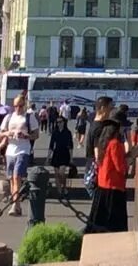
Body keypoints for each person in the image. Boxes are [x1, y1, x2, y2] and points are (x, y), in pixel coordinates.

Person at [85, 96, 130, 233]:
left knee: (99, 221)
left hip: (103, 183)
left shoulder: (104, 140)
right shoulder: (115, 143)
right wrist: (131, 158)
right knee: (113, 225)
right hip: (113, 186)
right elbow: (121, 167)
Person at [3, 93, 38, 205]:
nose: (18, 108)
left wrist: (25, 135)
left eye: (20, 106)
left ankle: (15, 204)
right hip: (10, 150)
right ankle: (15, 202)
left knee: (17, 176)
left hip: (23, 149)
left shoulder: (29, 117)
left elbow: (36, 135)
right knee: (12, 178)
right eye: (15, 106)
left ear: (24, 105)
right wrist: (9, 133)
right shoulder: (9, 117)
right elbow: (0, 134)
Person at [47, 108, 76, 194]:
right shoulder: (55, 132)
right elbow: (51, 145)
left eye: (60, 122)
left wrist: (71, 158)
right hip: (56, 153)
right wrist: (48, 157)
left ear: (64, 122)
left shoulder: (68, 132)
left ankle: (64, 186)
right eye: (57, 122)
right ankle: (59, 189)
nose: (59, 123)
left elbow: (70, 145)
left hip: (65, 153)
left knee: (61, 172)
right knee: (56, 174)